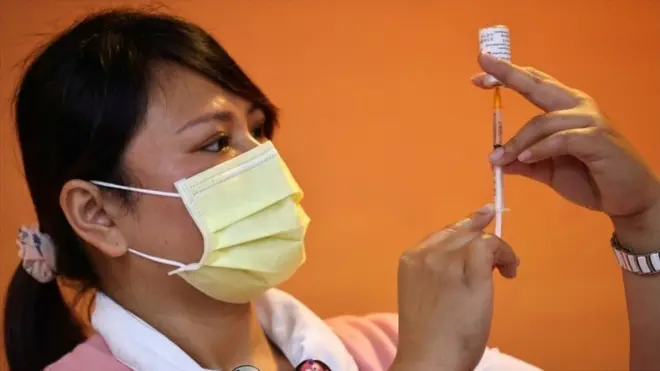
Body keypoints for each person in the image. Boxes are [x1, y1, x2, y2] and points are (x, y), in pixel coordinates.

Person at [3, 8, 659, 371]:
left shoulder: (373, 348)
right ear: (97, 212)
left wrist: (644, 224)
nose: (262, 162)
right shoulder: (418, 354)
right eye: (215, 142)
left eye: (259, 131)